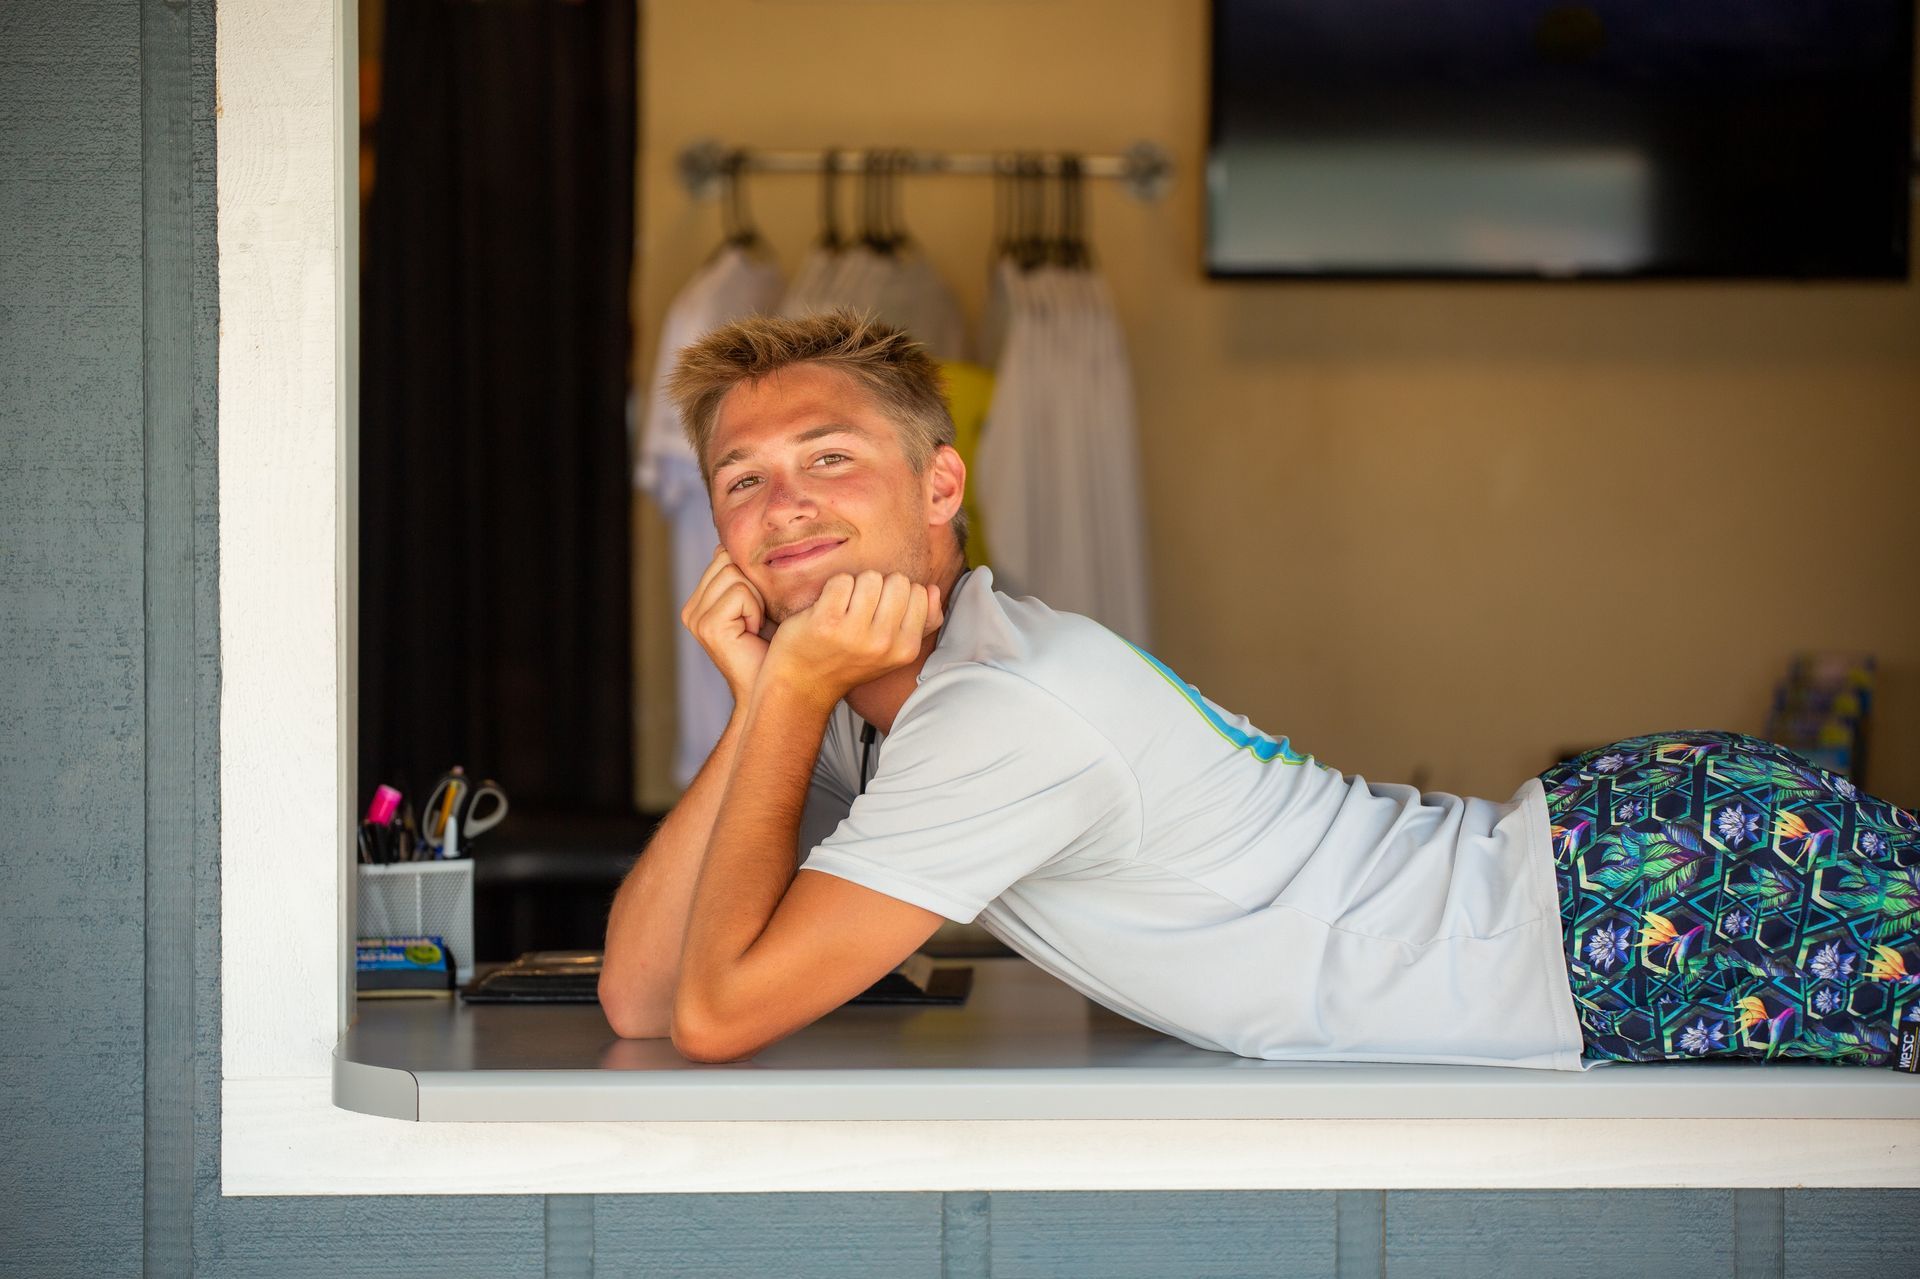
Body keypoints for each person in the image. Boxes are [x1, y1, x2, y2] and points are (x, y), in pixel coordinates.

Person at [598, 308, 1920, 1070]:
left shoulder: (999, 713)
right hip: (1592, 881)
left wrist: (772, 698)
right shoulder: (868, 708)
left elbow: (718, 1016)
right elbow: (645, 999)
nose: (786, 508)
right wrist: (767, 697)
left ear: (941, 488)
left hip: (1632, 903)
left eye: (831, 459)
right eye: (743, 480)